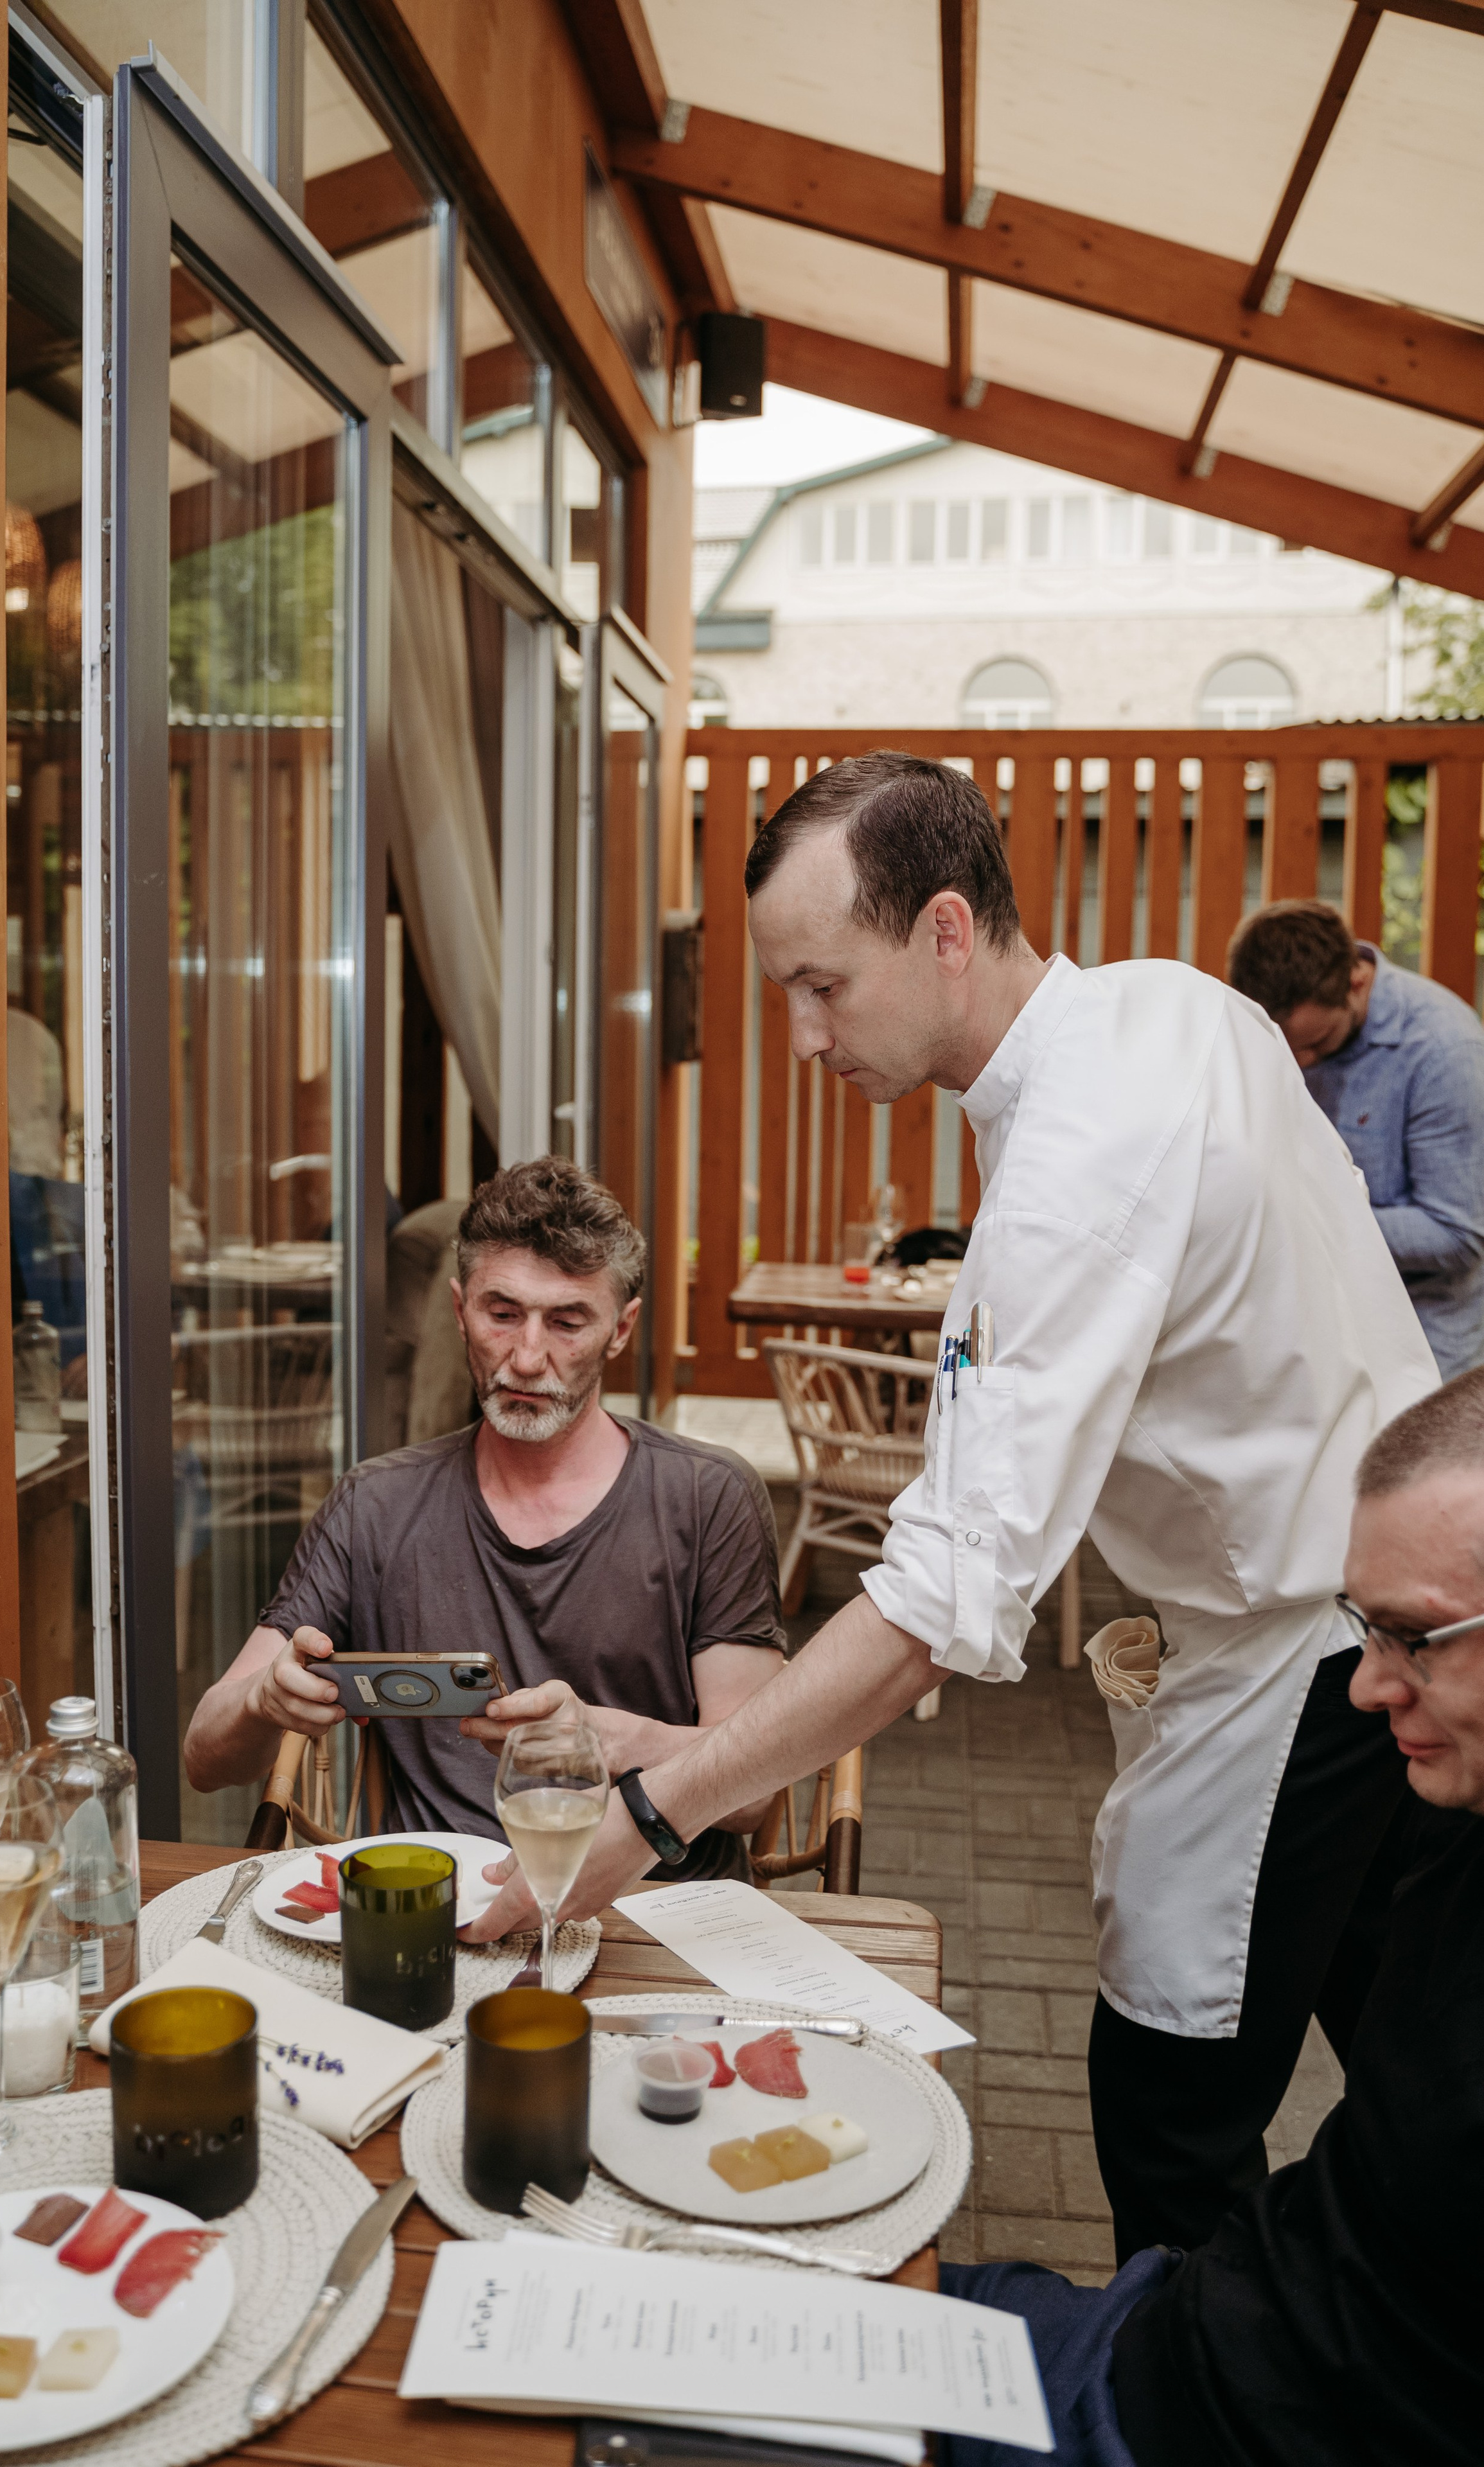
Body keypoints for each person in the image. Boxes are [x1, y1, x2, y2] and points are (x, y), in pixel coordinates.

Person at [468, 751, 1437, 2261]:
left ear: (937, 928)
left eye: (818, 986)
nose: (798, 1036)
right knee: (1419, 2073)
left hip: (1296, 1661)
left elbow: (936, 1601)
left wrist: (657, 1809)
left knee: (1169, 2109)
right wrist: (723, 1734)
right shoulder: (1174, 1007)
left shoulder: (1071, 1159)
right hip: (1399, 1628)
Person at [936, 1372, 1484, 2466]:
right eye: (1362, 1629)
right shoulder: (1456, 1822)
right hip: (1187, 2326)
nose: (1371, 1688)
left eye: (1414, 1638)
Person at [184, 1156, 784, 1876]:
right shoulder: (375, 1505)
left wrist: (617, 1742)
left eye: (566, 1322)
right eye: (502, 1314)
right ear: (458, 1308)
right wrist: (262, 1702)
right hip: (445, 1916)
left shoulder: (707, 1496)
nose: (527, 1358)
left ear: (620, 1330)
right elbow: (203, 1760)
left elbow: (755, 1796)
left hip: (652, 1916)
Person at [1228, 898, 1484, 1377]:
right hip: (1320, 1324)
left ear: (1357, 982)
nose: (1299, 1065)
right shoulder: (1282, 1030)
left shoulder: (1444, 1050)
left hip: (1426, 1341)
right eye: (1285, 1047)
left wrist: (1306, 1212)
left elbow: (1455, 1235)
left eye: (1317, 1045)